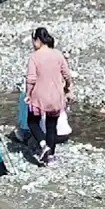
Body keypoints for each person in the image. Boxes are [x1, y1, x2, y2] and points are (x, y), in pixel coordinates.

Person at [25, 27, 73, 165]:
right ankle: (50, 157)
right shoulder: (57, 54)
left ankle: (43, 144)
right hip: (55, 96)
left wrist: (28, 94)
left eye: (33, 41)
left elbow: (31, 79)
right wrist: (68, 86)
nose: (33, 45)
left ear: (38, 40)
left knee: (32, 122)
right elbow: (66, 74)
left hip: (38, 96)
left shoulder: (34, 57)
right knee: (51, 126)